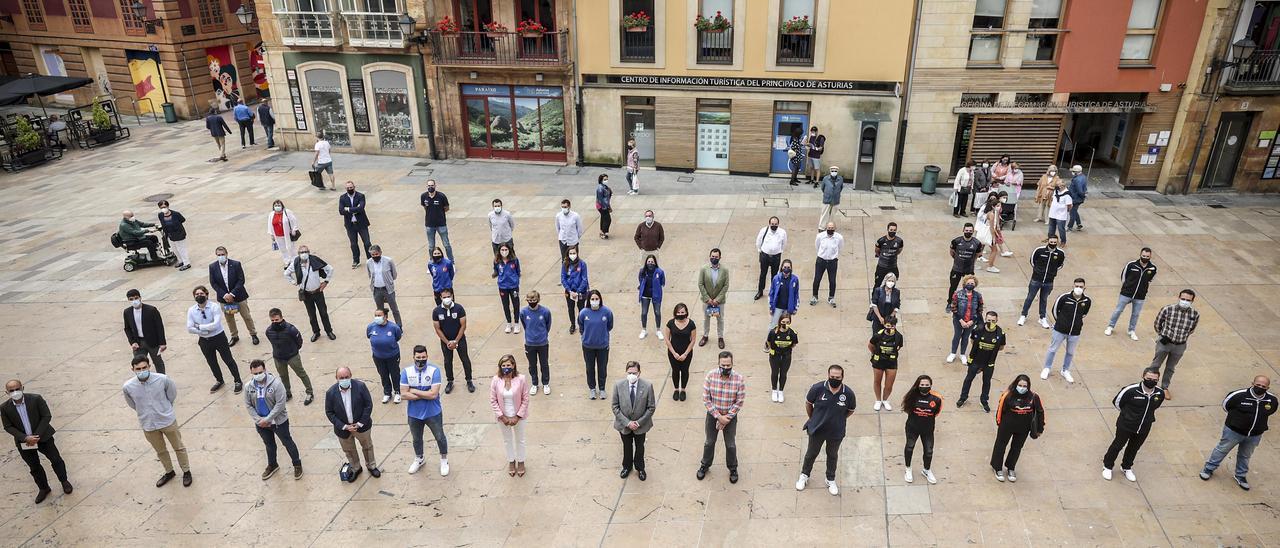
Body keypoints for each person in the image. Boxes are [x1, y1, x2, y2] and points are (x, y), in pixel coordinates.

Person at [123, 356, 192, 487]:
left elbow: (171, 395)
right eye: (138, 369)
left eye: (144, 368)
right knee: (160, 451)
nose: (141, 370)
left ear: (149, 366)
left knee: (178, 447)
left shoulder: (162, 379)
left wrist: (165, 409)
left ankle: (186, 471)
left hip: (167, 420)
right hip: (148, 424)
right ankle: (169, 471)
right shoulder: (128, 387)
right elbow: (133, 404)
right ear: (133, 369)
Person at [1199, 376, 1277, 491]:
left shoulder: (1272, 400)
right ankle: (1208, 469)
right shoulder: (1239, 395)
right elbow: (1226, 406)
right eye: (1258, 385)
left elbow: (1271, 411)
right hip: (1233, 432)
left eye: (1263, 386)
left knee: (1245, 456)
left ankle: (1240, 476)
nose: (1260, 387)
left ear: (1268, 387)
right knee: (1222, 450)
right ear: (1252, 383)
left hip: (1254, 435)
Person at [2, 379, 72, 503]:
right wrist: (25, 438)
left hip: (43, 438)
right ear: (6, 392)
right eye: (11, 390)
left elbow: (46, 416)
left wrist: (36, 435)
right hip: (25, 442)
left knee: (56, 460)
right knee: (34, 467)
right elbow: (8, 426)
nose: (15, 392)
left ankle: (64, 481)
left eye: (17, 389)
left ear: (22, 388)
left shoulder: (36, 399)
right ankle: (44, 488)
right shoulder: (4, 408)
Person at [796, 364, 854, 495]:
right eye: (832, 376)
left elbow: (851, 410)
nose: (834, 379)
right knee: (811, 453)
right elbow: (808, 403)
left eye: (837, 377)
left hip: (836, 432)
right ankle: (804, 475)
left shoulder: (848, 393)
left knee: (832, 455)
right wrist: (814, 418)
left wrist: (839, 419)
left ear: (842, 377)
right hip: (817, 429)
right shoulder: (817, 388)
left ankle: (830, 479)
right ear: (828, 375)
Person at [244, 360, 302, 481]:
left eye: (260, 372)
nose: (258, 375)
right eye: (255, 373)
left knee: (287, 442)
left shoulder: (276, 384)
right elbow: (248, 405)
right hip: (261, 423)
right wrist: (259, 420)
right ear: (251, 372)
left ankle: (297, 464)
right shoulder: (248, 386)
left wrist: (268, 418)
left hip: (278, 422)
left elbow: (280, 404)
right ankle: (273, 464)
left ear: (265, 370)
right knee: (269, 444)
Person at [1103, 371, 1166, 482]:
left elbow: (1155, 406)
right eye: (1149, 378)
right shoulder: (1131, 390)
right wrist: (1127, 415)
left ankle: (1126, 467)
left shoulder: (1159, 393)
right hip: (1126, 425)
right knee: (1117, 445)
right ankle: (1107, 466)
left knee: (1134, 448)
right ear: (1143, 376)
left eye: (1155, 380)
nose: (1151, 381)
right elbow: (1117, 402)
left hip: (1144, 427)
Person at [401, 345, 449, 477]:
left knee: (440, 437)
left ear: (427, 357)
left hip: (433, 412)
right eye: (418, 357)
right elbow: (404, 394)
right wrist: (425, 393)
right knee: (416, 438)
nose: (421, 360)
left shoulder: (434, 371)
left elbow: (433, 394)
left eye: (423, 357)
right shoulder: (406, 372)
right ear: (413, 357)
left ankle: (444, 459)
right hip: (414, 414)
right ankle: (419, 458)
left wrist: (415, 390)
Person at [324, 367, 380, 481]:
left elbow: (368, 405)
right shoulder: (331, 393)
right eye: (341, 378)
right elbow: (329, 412)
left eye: (346, 377)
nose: (344, 379)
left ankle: (371, 466)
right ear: (336, 378)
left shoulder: (360, 387)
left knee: (367, 446)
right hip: (343, 429)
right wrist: (344, 426)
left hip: (361, 426)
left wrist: (359, 423)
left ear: (350, 376)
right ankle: (356, 467)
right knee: (349, 450)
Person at [697, 351, 745, 484]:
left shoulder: (739, 379)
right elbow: (706, 399)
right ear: (718, 364)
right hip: (713, 415)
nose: (725, 368)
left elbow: (739, 401)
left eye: (728, 365)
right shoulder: (711, 376)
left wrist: (727, 418)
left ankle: (733, 468)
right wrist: (718, 417)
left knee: (730, 445)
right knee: (709, 442)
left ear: (732, 364)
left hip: (730, 417)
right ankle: (705, 465)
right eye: (723, 365)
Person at [186, 285, 243, 393]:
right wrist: (203, 331)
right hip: (204, 340)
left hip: (218, 337)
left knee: (228, 360)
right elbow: (189, 328)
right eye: (197, 294)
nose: (199, 296)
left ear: (206, 294)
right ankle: (219, 380)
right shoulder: (191, 310)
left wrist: (199, 327)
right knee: (211, 362)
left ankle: (238, 380)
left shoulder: (214, 307)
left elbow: (216, 325)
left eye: (201, 294)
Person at [990, 374, 1045, 482]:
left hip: (1023, 428)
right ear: (1016, 384)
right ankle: (997, 468)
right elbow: (1000, 410)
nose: (1022, 388)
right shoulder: (1008, 395)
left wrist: (1040, 429)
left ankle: (1011, 467)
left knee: (1016, 448)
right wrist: (999, 423)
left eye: (1025, 386)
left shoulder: (1034, 397)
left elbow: (1040, 412)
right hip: (1006, 426)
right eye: (1020, 385)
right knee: (1000, 446)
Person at [1146, 289, 1200, 398]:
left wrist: (1181, 337)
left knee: (1171, 367)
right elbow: (1157, 324)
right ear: (1179, 298)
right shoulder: (1167, 309)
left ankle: (1164, 387)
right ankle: (1149, 385)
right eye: (1183, 299)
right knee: (1156, 364)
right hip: (1165, 342)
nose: (1185, 301)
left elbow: (1192, 329)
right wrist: (1163, 335)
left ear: (1192, 301)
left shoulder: (1195, 314)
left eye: (1188, 300)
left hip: (1180, 345)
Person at [1041, 278, 1091, 383]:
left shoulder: (1087, 301)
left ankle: (1065, 370)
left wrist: (1076, 322)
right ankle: (1047, 368)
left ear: (1084, 288)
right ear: (1073, 286)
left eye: (1081, 287)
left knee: (1070, 352)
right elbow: (1055, 310)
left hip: (1075, 332)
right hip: (1060, 330)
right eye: (1076, 286)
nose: (1078, 288)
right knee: (1052, 349)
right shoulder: (1064, 298)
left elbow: (1084, 314)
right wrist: (1060, 322)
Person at [612, 361, 656, 480]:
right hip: (624, 425)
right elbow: (615, 406)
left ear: (639, 373)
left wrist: (638, 422)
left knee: (640, 447)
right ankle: (627, 466)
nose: (631, 375)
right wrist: (627, 422)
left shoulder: (647, 386)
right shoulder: (618, 385)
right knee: (627, 446)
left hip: (640, 426)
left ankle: (640, 468)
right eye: (629, 372)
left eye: (634, 373)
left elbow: (651, 407)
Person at [209, 246, 259, 347]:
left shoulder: (236, 264)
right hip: (225, 299)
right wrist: (225, 295)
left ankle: (253, 334)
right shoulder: (213, 267)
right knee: (229, 318)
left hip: (239, 296)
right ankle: (234, 336)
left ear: (226, 254)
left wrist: (232, 294)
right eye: (219, 255)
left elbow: (241, 280)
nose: (221, 256)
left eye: (222, 254)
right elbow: (213, 283)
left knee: (246, 316)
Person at [957, 311, 1005, 412]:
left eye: (993, 321)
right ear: (985, 319)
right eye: (988, 320)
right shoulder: (978, 330)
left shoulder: (1000, 333)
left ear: (997, 320)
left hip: (989, 363)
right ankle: (963, 397)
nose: (990, 322)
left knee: (986, 382)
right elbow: (973, 341)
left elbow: (1001, 347)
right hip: (975, 361)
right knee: (968, 379)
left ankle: (984, 401)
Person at [286, 246, 336, 342]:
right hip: (306, 294)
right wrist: (293, 282)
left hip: (318, 292)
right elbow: (286, 273)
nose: (303, 253)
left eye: (305, 251)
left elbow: (330, 269)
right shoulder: (296, 262)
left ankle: (329, 331)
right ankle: (316, 332)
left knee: (323, 313)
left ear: (309, 252)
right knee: (311, 315)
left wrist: (326, 282)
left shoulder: (314, 260)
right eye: (301, 252)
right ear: (298, 253)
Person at [490, 355, 529, 477]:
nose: (506, 368)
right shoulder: (496, 380)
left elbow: (525, 399)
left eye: (508, 365)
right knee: (507, 440)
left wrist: (518, 416)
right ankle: (511, 461)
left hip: (518, 416)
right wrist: (502, 416)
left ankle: (521, 461)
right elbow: (493, 400)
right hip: (503, 416)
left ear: (513, 365)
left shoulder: (521, 379)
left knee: (520, 440)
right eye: (503, 366)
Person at [1106, 247, 1158, 340]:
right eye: (1143, 256)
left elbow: (1150, 280)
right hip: (1126, 293)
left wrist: (1143, 289)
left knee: (1136, 314)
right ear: (1140, 255)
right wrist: (1126, 287)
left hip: (1140, 296)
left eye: (1147, 256)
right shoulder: (1131, 265)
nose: (1145, 257)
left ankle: (1131, 330)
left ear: (1150, 256)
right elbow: (1123, 276)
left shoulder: (1152, 268)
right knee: (1118, 310)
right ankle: (1110, 326)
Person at [265, 308, 313, 405]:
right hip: (278, 358)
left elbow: (299, 341)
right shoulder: (269, 331)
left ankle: (309, 392)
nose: (275, 322)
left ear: (282, 318)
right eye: (272, 320)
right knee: (283, 376)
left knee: (301, 374)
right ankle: (287, 393)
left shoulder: (291, 329)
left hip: (292, 357)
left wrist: (293, 351)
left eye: (277, 320)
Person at [1018, 235, 1065, 328]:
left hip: (1049, 281)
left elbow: (1060, 265)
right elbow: (1032, 261)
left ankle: (1042, 317)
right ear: (1048, 241)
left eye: (1055, 242)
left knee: (1044, 299)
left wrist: (1052, 273)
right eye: (1051, 242)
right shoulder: (1039, 250)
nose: (1053, 244)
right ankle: (1023, 315)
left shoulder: (1060, 253)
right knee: (1030, 298)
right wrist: (1038, 271)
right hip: (1036, 279)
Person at [433, 288, 475, 393]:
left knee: (465, 359)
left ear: (452, 296)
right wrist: (447, 342)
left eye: (448, 297)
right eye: (444, 297)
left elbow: (463, 325)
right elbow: (437, 329)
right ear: (440, 298)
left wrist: (456, 341)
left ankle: (469, 380)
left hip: (459, 339)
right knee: (447, 361)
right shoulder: (436, 311)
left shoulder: (459, 308)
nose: (446, 299)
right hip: (445, 341)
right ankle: (450, 381)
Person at [902, 375, 942, 484]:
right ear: (918, 385)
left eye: (927, 385)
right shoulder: (912, 396)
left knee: (929, 451)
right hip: (912, 427)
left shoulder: (937, 399)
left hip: (928, 429)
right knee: (910, 447)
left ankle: (926, 470)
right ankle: (908, 469)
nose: (924, 386)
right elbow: (907, 409)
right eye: (922, 385)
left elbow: (937, 412)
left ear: (930, 385)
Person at [579, 289, 615, 400]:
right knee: (590, 368)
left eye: (596, 299)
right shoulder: (584, 313)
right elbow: (581, 327)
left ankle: (602, 388)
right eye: (592, 299)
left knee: (602, 368)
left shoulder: (607, 312)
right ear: (589, 300)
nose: (595, 301)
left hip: (602, 346)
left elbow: (609, 326)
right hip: (588, 346)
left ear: (600, 299)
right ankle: (592, 389)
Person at [124, 288, 167, 374]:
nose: (134, 301)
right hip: (138, 343)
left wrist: (162, 343)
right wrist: (132, 342)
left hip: (152, 342)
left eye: (136, 298)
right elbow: (127, 328)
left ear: (140, 298)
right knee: (139, 363)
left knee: (158, 362)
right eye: (131, 299)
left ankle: (162, 379)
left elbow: (159, 327)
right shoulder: (127, 312)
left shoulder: (151, 310)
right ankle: (142, 380)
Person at [520, 291, 553, 396]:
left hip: (542, 343)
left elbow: (548, 325)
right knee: (532, 365)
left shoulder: (545, 312)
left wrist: (542, 335)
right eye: (529, 300)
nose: (532, 302)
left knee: (544, 364)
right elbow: (525, 325)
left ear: (538, 299)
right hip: (530, 344)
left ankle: (546, 383)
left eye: (534, 300)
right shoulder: (523, 312)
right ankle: (534, 383)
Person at [367, 307, 403, 404]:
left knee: (395, 374)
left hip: (392, 356)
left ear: (385, 317)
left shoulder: (394, 328)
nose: (377, 317)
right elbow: (368, 336)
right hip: (378, 357)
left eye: (379, 315)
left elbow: (398, 337)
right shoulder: (371, 327)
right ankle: (387, 392)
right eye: (376, 315)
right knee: (383, 374)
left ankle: (397, 392)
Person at [868, 317, 904, 411]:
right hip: (879, 361)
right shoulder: (878, 335)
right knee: (877, 381)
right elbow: (870, 346)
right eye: (888, 325)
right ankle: (878, 400)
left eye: (892, 326)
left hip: (891, 362)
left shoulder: (899, 336)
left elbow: (898, 347)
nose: (890, 328)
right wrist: (876, 353)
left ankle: (885, 400)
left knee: (889, 385)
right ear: (884, 325)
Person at [664, 303, 697, 402]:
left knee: (685, 370)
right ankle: (676, 389)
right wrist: (674, 353)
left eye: (682, 312)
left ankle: (683, 389)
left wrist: (685, 353)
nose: (680, 314)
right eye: (678, 312)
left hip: (687, 352)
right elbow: (667, 339)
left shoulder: (691, 324)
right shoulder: (670, 323)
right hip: (673, 352)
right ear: (675, 313)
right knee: (675, 370)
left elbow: (693, 340)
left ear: (686, 312)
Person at [947, 274, 983, 364]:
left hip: (971, 321)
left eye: (972, 283)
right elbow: (953, 307)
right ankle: (953, 353)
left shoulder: (978, 296)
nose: (970, 284)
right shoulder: (957, 294)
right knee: (957, 336)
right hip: (959, 320)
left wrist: (972, 321)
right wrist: (961, 320)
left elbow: (980, 309)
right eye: (968, 283)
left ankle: (963, 354)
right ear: (964, 283)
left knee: (966, 337)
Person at [698, 248, 729, 349]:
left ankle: (720, 337)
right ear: (709, 257)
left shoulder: (724, 270)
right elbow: (700, 284)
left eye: (716, 257)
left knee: (720, 319)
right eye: (712, 256)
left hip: (719, 301)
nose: (714, 258)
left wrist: (717, 300)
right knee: (706, 318)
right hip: (707, 300)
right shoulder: (704, 269)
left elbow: (726, 285)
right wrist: (707, 298)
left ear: (720, 257)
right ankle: (705, 335)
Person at [946, 224, 983, 308]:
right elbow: (952, 251)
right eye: (966, 230)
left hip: (969, 270)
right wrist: (957, 259)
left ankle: (967, 303)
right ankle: (950, 302)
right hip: (956, 269)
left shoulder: (977, 243)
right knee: (953, 287)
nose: (968, 232)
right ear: (963, 230)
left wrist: (972, 261)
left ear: (973, 231)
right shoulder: (956, 241)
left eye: (970, 231)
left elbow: (978, 254)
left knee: (969, 287)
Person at [765, 313, 798, 403]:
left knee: (783, 373)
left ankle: (781, 391)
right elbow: (768, 342)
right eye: (783, 321)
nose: (785, 324)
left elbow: (794, 344)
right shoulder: (773, 332)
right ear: (779, 321)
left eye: (787, 322)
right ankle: (774, 390)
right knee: (775, 372)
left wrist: (786, 350)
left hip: (786, 356)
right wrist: (774, 349)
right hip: (775, 355)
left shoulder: (792, 333)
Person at [366, 245, 402, 327]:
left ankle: (399, 326)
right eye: (373, 255)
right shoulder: (369, 263)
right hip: (376, 290)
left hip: (388, 289)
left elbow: (394, 275)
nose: (375, 256)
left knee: (394, 309)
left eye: (376, 254)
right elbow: (370, 275)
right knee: (380, 310)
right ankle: (382, 325)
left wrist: (389, 282)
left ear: (380, 252)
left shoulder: (388, 261)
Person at [339, 181, 372, 268]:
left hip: (361, 224)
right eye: (348, 188)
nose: (350, 189)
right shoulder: (342, 198)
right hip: (350, 225)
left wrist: (348, 209)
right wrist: (355, 209)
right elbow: (341, 211)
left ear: (354, 187)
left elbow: (361, 208)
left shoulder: (360, 196)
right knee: (353, 243)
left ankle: (370, 259)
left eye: (351, 187)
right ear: (346, 189)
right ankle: (356, 260)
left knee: (367, 242)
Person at [420, 180, 454, 262]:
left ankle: (451, 262)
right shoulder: (424, 196)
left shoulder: (441, 196)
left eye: (432, 185)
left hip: (441, 224)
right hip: (429, 225)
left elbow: (446, 208)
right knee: (431, 246)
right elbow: (425, 207)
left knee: (446, 244)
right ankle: (432, 262)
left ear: (435, 186)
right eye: (428, 185)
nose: (430, 187)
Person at [755, 217, 786, 301]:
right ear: (769, 224)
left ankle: (773, 292)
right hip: (765, 256)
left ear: (778, 224)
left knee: (774, 275)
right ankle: (760, 291)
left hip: (776, 256)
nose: (774, 226)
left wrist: (779, 251)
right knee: (763, 274)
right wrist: (760, 250)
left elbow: (784, 243)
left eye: (776, 224)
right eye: (772, 224)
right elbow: (758, 241)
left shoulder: (782, 232)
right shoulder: (764, 230)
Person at [812, 222, 843, 307]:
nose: (830, 229)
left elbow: (840, 248)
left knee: (832, 280)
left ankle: (831, 297)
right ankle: (815, 296)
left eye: (832, 228)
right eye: (829, 228)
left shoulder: (839, 237)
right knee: (817, 279)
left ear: (835, 228)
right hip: (821, 261)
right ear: (826, 228)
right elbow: (817, 246)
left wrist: (834, 256)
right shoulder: (820, 236)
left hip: (832, 262)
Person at [494, 243, 522, 334]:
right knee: (505, 305)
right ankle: (509, 323)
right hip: (503, 287)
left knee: (516, 304)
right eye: (502, 250)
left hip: (513, 286)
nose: (504, 252)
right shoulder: (497, 261)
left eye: (506, 250)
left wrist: (515, 280)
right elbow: (496, 271)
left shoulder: (514, 260)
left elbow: (518, 271)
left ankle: (517, 323)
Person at [562, 245, 590, 334]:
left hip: (580, 291)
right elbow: (563, 278)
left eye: (574, 253)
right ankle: (573, 324)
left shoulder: (582, 264)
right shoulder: (565, 264)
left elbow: (584, 279)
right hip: (569, 291)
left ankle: (581, 325)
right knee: (571, 308)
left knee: (581, 309)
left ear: (577, 253)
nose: (572, 255)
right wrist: (570, 291)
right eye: (570, 253)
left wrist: (578, 292)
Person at [156, 200, 191, 270]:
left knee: (181, 249)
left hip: (179, 234)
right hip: (170, 234)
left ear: (168, 206)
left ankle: (186, 263)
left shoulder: (175, 214)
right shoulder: (160, 215)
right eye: (161, 207)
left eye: (164, 207)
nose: (163, 209)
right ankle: (180, 260)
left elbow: (182, 220)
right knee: (174, 249)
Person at [638, 254, 666, 340]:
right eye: (649, 262)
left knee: (657, 313)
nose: (650, 263)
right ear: (646, 262)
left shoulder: (660, 272)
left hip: (656, 295)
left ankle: (658, 330)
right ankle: (644, 330)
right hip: (645, 295)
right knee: (644, 313)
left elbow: (662, 282)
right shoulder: (642, 271)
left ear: (655, 263)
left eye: (652, 262)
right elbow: (640, 279)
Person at [268, 199, 301, 267]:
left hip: (287, 234)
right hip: (278, 235)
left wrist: (294, 229)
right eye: (276, 205)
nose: (277, 206)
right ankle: (287, 260)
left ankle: (294, 261)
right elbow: (269, 224)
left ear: (282, 206)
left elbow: (294, 220)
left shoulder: (287, 212)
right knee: (282, 249)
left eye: (279, 205)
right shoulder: (271, 214)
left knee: (290, 248)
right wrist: (271, 234)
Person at [768, 259, 800, 328]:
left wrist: (795, 308)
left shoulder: (795, 279)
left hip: (788, 308)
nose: (786, 269)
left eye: (788, 267)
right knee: (773, 325)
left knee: (785, 326)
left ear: (791, 268)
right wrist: (770, 307)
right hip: (777, 307)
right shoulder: (776, 278)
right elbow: (771, 293)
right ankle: (770, 338)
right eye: (785, 267)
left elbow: (796, 294)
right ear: (782, 267)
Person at [873, 222, 903, 289]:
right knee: (877, 284)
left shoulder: (899, 241)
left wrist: (892, 256)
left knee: (892, 284)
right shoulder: (881, 241)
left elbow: (899, 251)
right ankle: (874, 299)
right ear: (887, 229)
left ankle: (889, 297)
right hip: (881, 267)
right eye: (891, 230)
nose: (893, 232)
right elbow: (877, 251)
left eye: (894, 230)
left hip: (893, 267)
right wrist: (883, 257)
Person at [1046, 179, 1073, 245]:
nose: (1057, 186)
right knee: (1051, 227)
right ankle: (1050, 238)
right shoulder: (1056, 191)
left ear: (1062, 186)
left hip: (1061, 215)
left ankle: (1063, 241)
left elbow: (1070, 205)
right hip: (1053, 213)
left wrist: (1067, 211)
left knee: (1061, 229)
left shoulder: (1067, 194)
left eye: (1058, 185)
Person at [1067, 164, 1087, 231]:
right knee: (1074, 211)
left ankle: (1070, 227)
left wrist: (1082, 196)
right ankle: (1079, 224)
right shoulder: (1083, 176)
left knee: (1072, 212)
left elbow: (1080, 191)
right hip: (1078, 198)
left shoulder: (1077, 180)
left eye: (1073, 171)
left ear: (1076, 172)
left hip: (1075, 199)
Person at [596, 175, 614, 240]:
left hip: (605, 205)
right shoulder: (600, 188)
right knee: (608, 219)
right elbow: (601, 199)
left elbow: (607, 198)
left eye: (607, 179)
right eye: (605, 179)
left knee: (603, 218)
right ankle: (603, 232)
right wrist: (606, 207)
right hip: (602, 206)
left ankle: (602, 231)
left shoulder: (605, 187)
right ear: (601, 180)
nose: (606, 181)